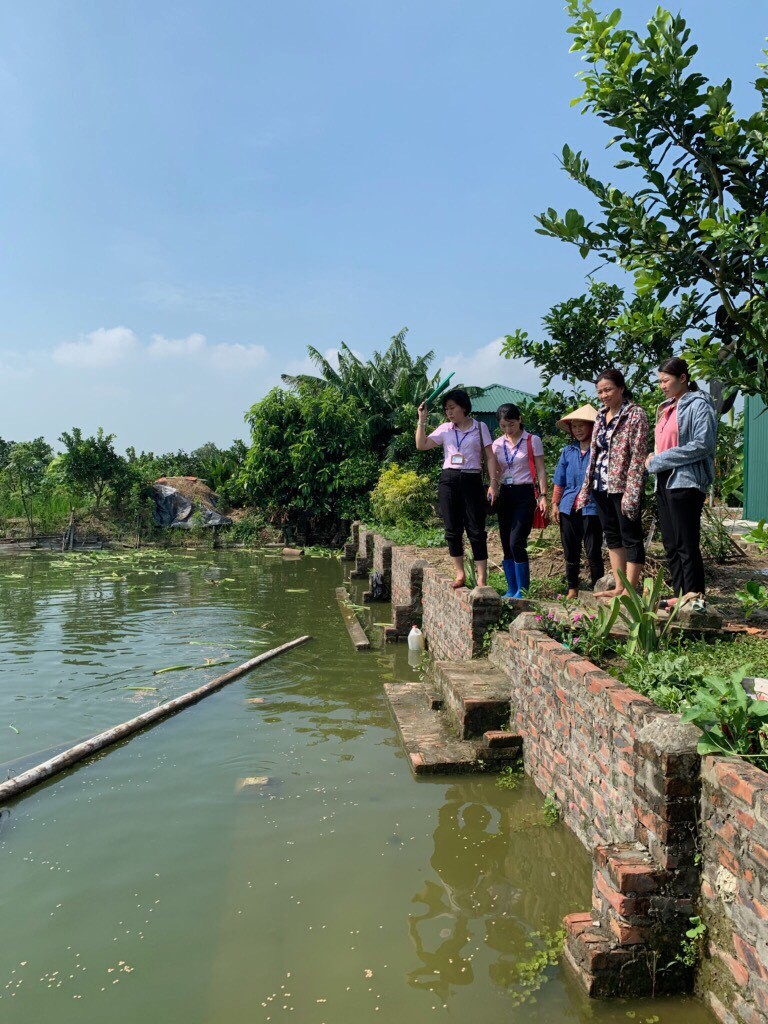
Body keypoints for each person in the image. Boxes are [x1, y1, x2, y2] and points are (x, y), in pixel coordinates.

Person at [645, 357, 717, 605]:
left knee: (686, 541)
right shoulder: (666, 407)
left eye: (666, 380)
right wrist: (655, 457)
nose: (662, 385)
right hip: (664, 479)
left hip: (686, 480)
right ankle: (679, 595)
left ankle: (694, 594)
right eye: (660, 381)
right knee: (671, 543)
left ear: (683, 378)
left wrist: (659, 460)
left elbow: (702, 444)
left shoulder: (699, 405)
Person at [577, 369, 649, 598]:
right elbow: (594, 454)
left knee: (630, 535)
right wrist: (586, 487)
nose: (604, 395)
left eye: (608, 389)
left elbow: (638, 456)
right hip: (600, 485)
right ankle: (619, 587)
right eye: (600, 391)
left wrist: (632, 491)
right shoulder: (600, 416)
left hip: (623, 486)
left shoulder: (635, 414)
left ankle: (630, 589)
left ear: (621, 388)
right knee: (612, 536)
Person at [416, 389, 496, 589]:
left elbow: (490, 456)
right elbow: (421, 444)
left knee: (476, 529)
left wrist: (494, 483)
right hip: (449, 479)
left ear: (464, 407)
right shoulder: (445, 428)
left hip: (472, 479)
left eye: (452, 408)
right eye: (446, 409)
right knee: (452, 529)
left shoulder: (480, 427)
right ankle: (460, 574)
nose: (449, 413)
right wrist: (422, 420)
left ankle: (481, 579)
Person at [489, 403, 547, 599]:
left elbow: (540, 469)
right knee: (506, 543)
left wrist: (543, 495)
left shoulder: (532, 440)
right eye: (504, 426)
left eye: (511, 425)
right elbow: (496, 471)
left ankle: (523, 590)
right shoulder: (497, 444)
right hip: (506, 494)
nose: (508, 429)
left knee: (517, 542)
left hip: (525, 494)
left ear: (519, 419)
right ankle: (511, 589)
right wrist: (493, 486)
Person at [551, 404, 604, 599]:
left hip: (592, 506)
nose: (578, 429)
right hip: (568, 506)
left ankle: (597, 588)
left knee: (593, 551)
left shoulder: (599, 450)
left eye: (582, 425)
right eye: (574, 426)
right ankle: (572, 588)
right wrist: (555, 503)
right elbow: (560, 480)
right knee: (570, 549)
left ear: (592, 427)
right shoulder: (568, 451)